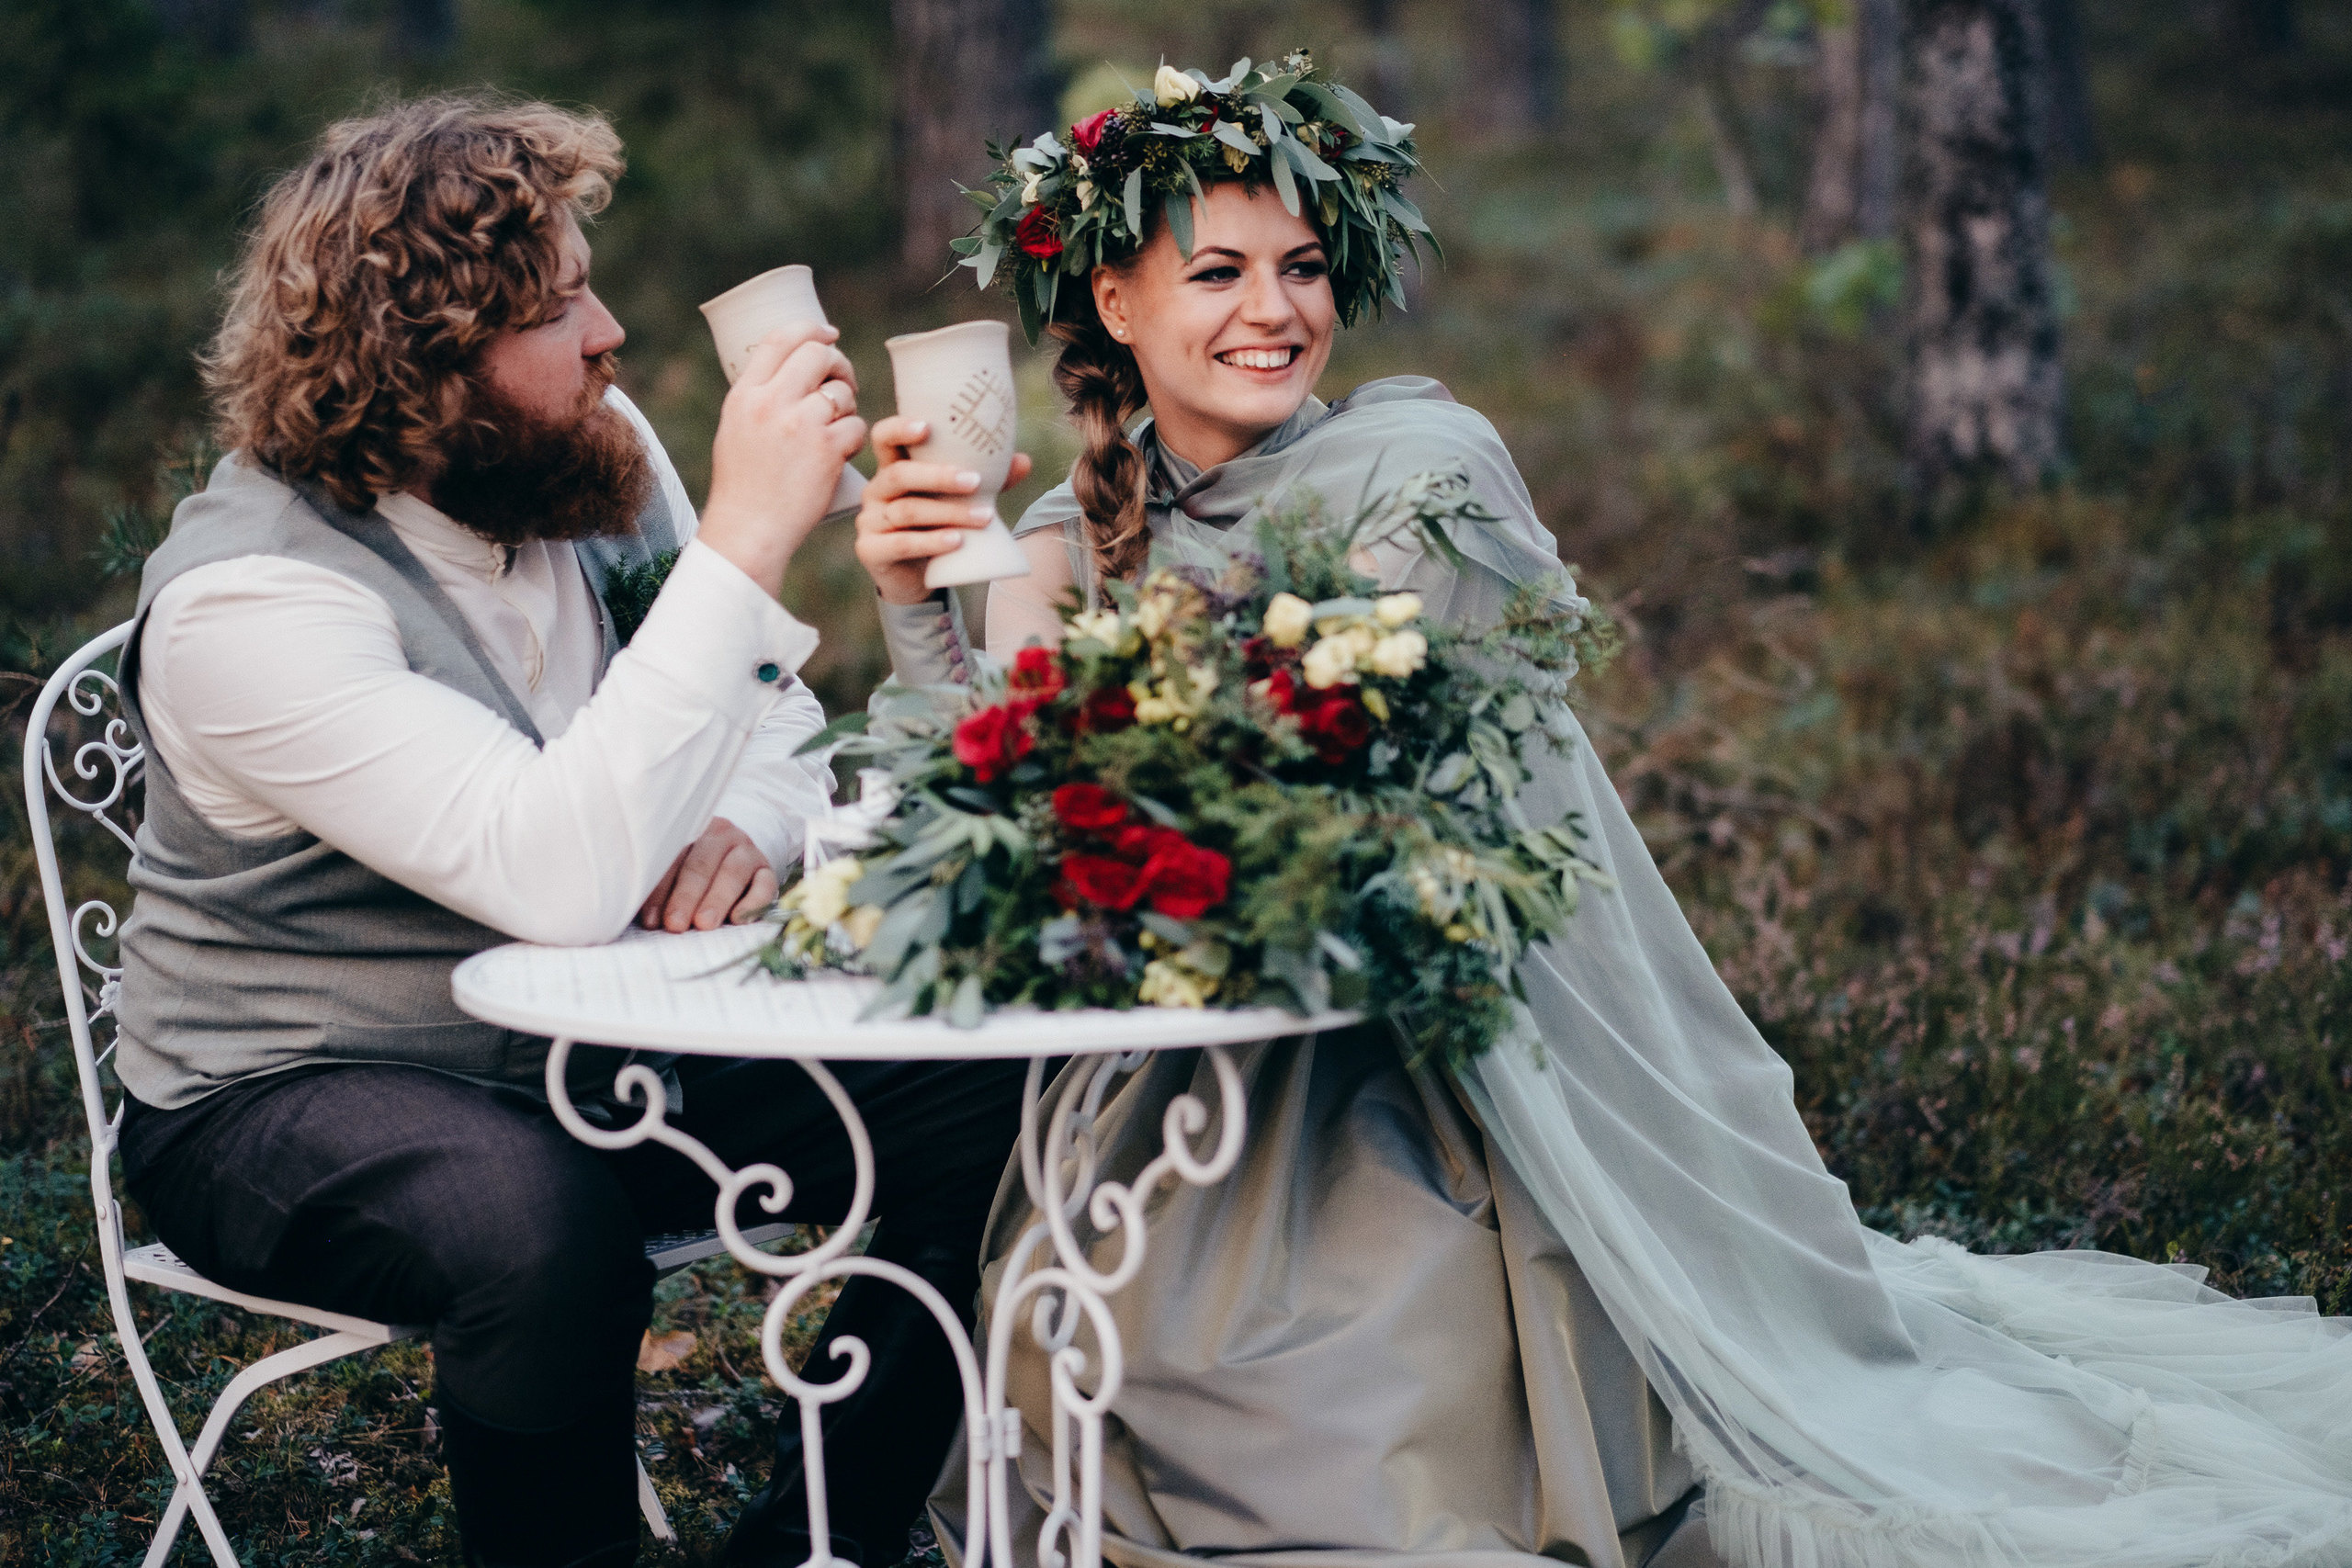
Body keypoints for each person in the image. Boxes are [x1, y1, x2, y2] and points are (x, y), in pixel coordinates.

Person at [852, 53, 2352, 1568]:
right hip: (1177, 1065)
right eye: (1220, 271)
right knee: (1133, 1366)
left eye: (1304, 267)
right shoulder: (1063, 531)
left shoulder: (1423, 471)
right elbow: (980, 807)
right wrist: (924, 600)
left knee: (1349, 1438)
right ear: (1115, 302)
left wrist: (1086, 752)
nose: (1276, 310)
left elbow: (1314, 801)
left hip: (1432, 1058)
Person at [111, 96, 1023, 1568]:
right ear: (423, 365)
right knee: (533, 1225)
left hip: (600, 1050)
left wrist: (752, 819)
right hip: (291, 1089)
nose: (608, 332)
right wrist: (744, 539)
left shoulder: (577, 456)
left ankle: (815, 1546)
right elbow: (553, 870)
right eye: (553, 308)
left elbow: (777, 724)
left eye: (589, 284)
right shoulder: (253, 605)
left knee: (991, 1095)